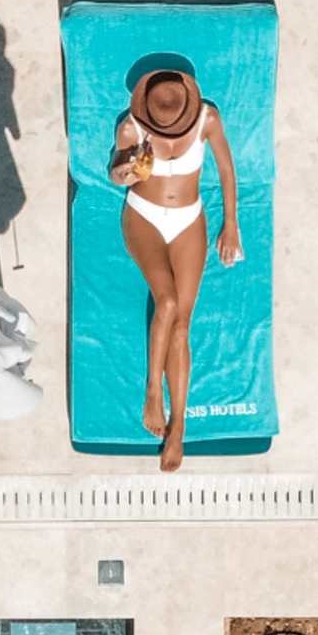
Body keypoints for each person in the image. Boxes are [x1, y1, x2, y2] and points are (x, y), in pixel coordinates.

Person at [108, 66, 241, 471]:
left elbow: (226, 170)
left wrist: (231, 224)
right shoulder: (131, 129)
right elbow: (115, 173)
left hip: (188, 220)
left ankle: (178, 426)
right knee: (165, 303)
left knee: (183, 324)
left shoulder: (208, 119)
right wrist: (124, 172)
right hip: (144, 217)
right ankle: (153, 392)